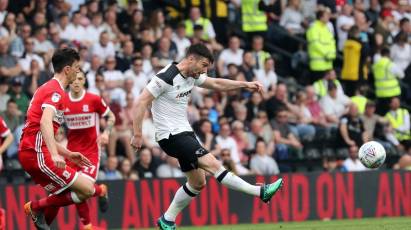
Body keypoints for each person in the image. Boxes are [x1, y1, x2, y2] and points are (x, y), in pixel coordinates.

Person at [131, 44, 283, 230]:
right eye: (203, 65)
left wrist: (244, 84)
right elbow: (141, 101)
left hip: (185, 132)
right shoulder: (166, 77)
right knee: (214, 164)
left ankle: (167, 220)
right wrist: (137, 134)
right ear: (191, 59)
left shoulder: (192, 76)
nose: (204, 71)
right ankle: (260, 191)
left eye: (207, 68)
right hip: (170, 135)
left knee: (198, 183)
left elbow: (217, 83)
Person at [18, 48, 107, 230]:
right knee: (87, 190)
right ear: (67, 69)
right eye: (77, 67)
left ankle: (37, 210)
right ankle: (34, 207)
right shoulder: (55, 91)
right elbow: (44, 123)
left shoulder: (49, 88)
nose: (78, 71)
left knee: (59, 198)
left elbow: (42, 132)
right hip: (37, 154)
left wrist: (67, 153)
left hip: (32, 152)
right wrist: (54, 155)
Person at [52, 71, 115, 229]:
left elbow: (111, 117)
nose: (77, 82)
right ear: (69, 81)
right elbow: (53, 125)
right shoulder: (63, 101)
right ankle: (100, 190)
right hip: (72, 153)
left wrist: (106, 132)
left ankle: (87, 226)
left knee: (82, 187)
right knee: (76, 189)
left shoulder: (93, 99)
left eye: (80, 79)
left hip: (91, 152)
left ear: (84, 80)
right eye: (74, 79)